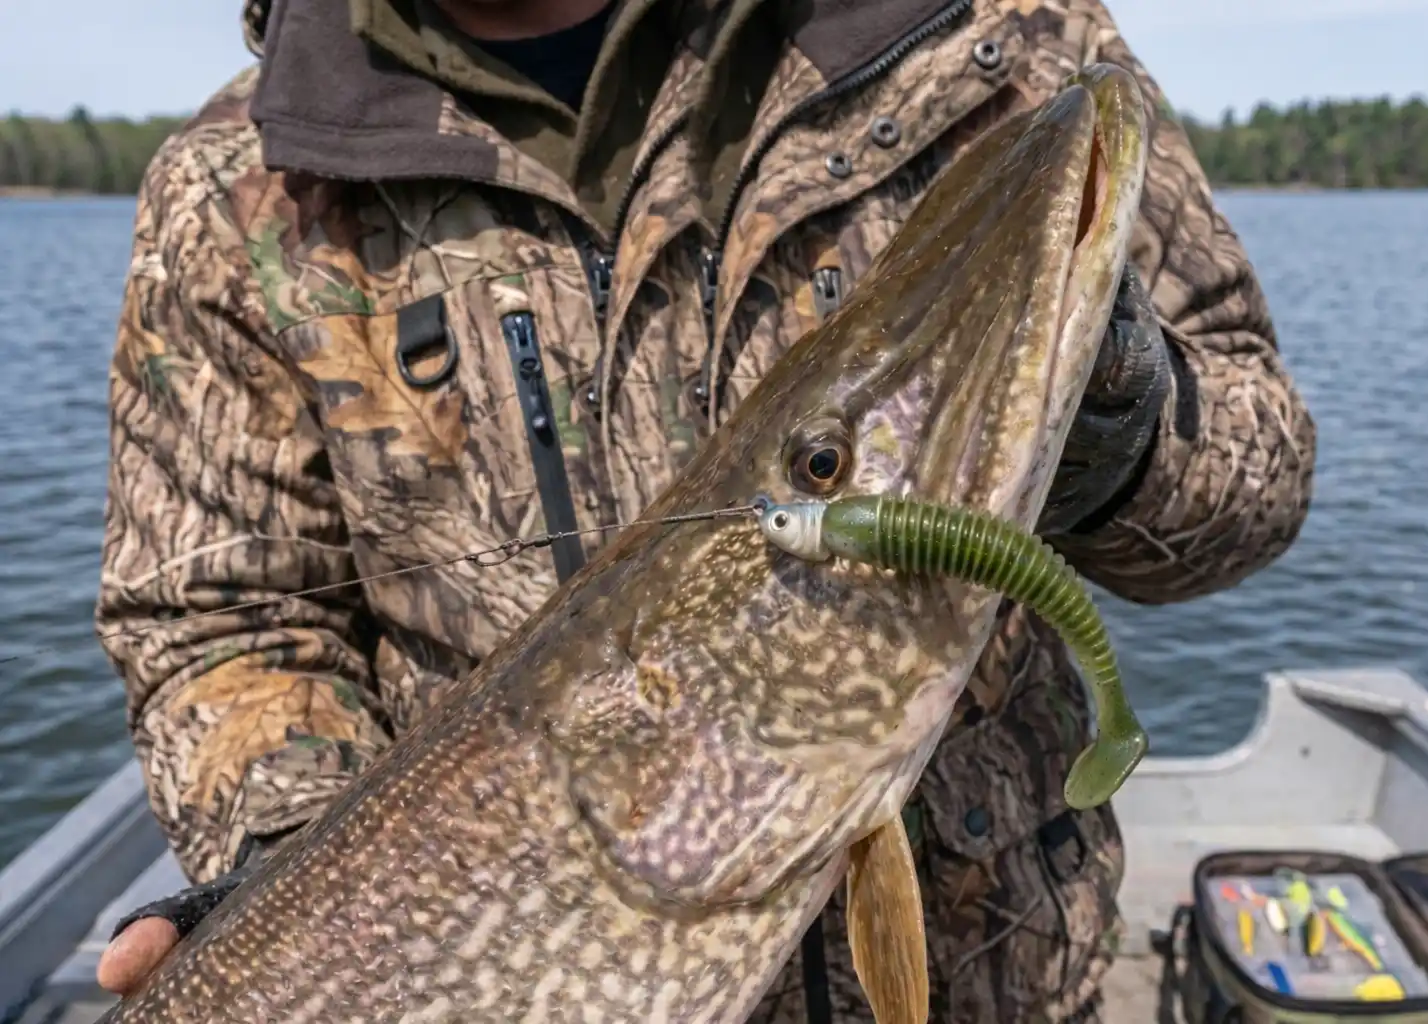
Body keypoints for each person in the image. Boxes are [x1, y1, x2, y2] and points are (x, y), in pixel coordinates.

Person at [93, 0, 1316, 1019]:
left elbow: (1258, 476)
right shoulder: (242, 193)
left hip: (998, 969)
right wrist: (298, 879)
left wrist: (1118, 433)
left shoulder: (983, 40)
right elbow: (224, 624)